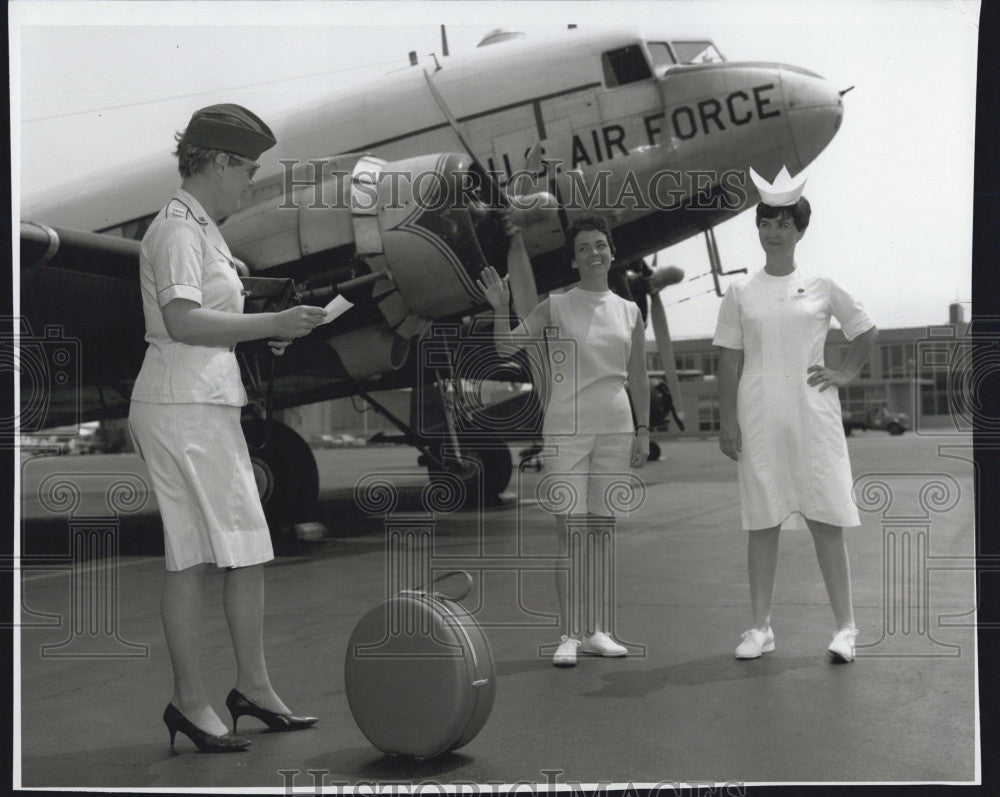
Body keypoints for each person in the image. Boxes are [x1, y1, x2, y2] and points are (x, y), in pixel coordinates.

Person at [127, 104, 327, 752]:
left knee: (222, 554)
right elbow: (183, 320)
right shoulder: (181, 231)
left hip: (194, 401)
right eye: (246, 168)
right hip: (185, 409)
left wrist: (259, 328)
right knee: (225, 551)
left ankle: (244, 690)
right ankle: (203, 697)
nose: (251, 181)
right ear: (215, 162)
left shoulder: (202, 230)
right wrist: (271, 326)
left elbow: (205, 320)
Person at [713, 166, 878, 664]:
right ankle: (760, 627)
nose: (774, 231)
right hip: (759, 416)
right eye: (766, 222)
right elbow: (728, 357)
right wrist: (726, 419)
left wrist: (844, 373)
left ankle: (846, 628)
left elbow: (865, 330)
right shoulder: (740, 292)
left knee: (826, 518)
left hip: (814, 416)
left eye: (784, 223)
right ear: (758, 228)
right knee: (761, 522)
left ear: (799, 230)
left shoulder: (823, 285)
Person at [477, 213, 650, 667]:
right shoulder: (555, 305)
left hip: (616, 426)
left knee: (600, 532)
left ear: (611, 252)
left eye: (601, 245)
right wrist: (499, 307)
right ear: (574, 261)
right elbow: (505, 349)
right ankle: (569, 634)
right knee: (570, 532)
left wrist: (645, 429)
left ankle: (598, 631)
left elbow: (638, 376)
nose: (595, 253)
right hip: (565, 430)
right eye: (585, 248)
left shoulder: (629, 312)